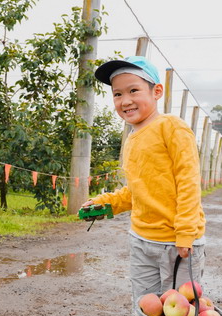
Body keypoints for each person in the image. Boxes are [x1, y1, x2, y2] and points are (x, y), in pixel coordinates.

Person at [81, 56, 206, 302]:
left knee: (181, 313)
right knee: (147, 307)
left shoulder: (172, 127)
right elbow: (136, 190)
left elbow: (188, 182)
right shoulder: (132, 138)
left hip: (176, 243)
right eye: (117, 94)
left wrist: (185, 233)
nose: (125, 101)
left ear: (156, 91)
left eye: (133, 90)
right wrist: (107, 204)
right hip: (142, 240)